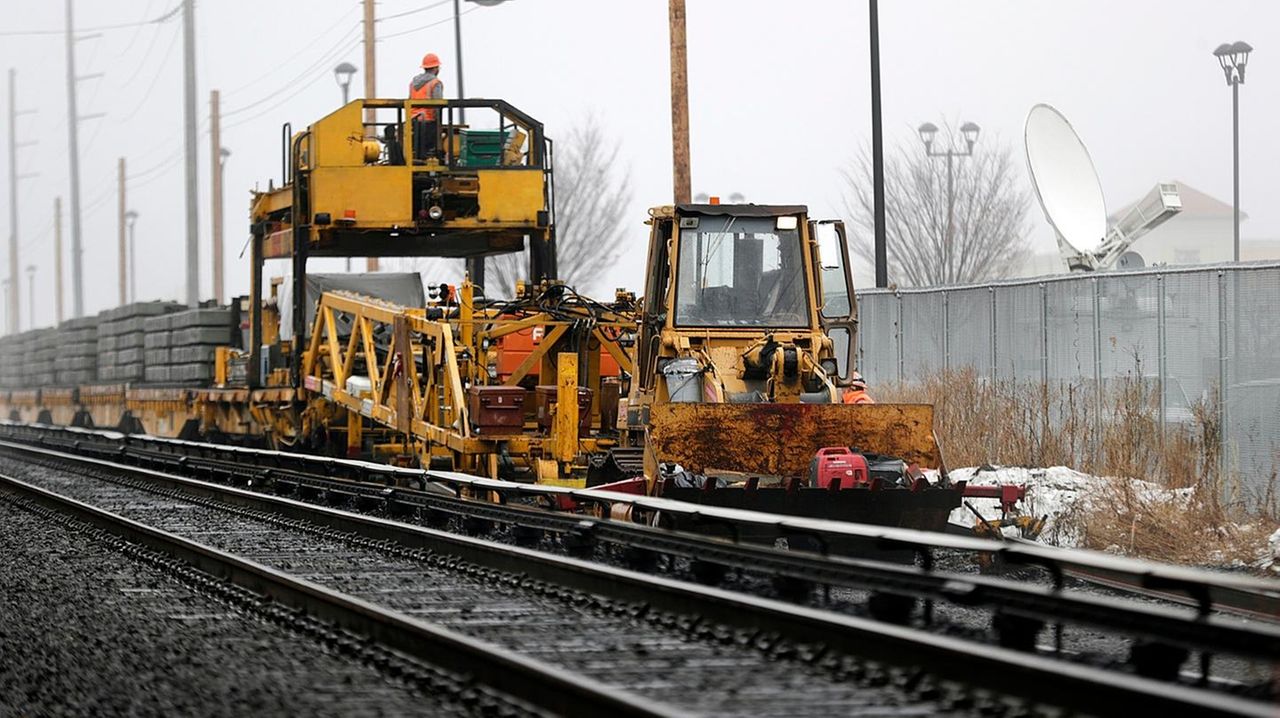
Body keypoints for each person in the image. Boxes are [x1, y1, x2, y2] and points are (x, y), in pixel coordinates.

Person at [409, 53, 445, 160]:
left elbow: (408, 100)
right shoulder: (435, 83)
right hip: (428, 122)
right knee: (429, 153)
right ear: (435, 68)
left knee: (415, 152)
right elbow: (438, 105)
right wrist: (439, 125)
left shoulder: (413, 84)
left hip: (412, 121)